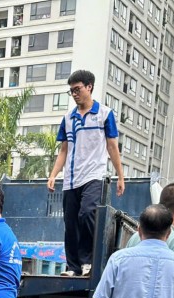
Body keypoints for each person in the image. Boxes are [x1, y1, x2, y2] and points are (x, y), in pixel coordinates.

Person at [47, 69, 125, 277]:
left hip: (93, 176)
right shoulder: (68, 118)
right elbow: (63, 150)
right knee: (70, 223)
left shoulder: (104, 114)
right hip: (71, 179)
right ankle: (73, 266)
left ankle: (88, 260)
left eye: (77, 89)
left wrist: (120, 176)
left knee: (88, 212)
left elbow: (112, 147)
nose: (74, 94)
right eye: (71, 91)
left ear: (89, 87)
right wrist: (54, 174)